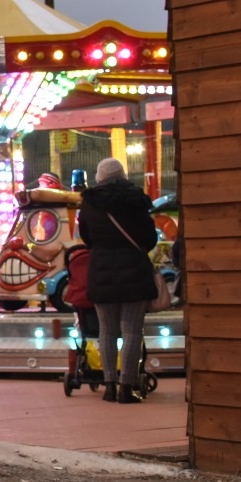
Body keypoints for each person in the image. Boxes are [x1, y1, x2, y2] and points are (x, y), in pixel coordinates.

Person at [77, 156, 159, 403]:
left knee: (107, 331)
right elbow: (149, 237)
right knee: (132, 331)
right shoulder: (135, 199)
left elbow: (87, 237)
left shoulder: (89, 203)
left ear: (99, 176)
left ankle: (109, 385)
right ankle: (127, 387)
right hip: (134, 270)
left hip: (101, 270)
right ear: (122, 174)